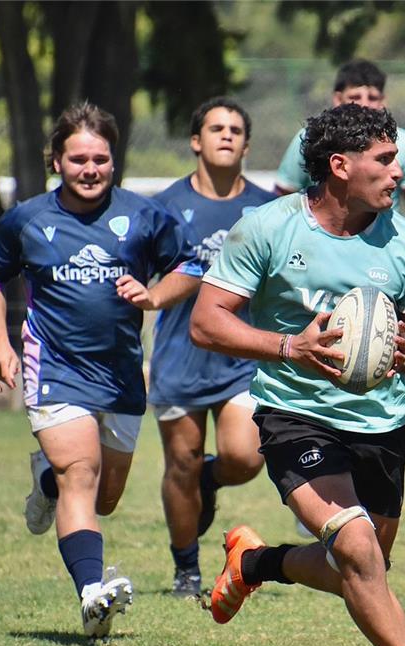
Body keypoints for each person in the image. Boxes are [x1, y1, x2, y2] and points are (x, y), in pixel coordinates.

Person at [191, 103, 405, 646]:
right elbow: (208, 321)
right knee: (357, 547)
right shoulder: (268, 229)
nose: (399, 173)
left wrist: (404, 357)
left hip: (382, 424)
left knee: (360, 569)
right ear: (340, 166)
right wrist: (292, 348)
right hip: (295, 415)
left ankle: (253, 563)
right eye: (386, 161)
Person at [0, 102, 200, 638]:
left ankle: (45, 478)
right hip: (55, 367)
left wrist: (154, 295)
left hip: (120, 374)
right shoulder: (28, 218)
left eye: (100, 159)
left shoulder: (143, 216)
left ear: (113, 162)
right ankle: (92, 593)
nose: (90, 169)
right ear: (56, 161)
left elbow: (190, 265)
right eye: (78, 159)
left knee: (105, 497)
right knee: (83, 474)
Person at [149, 97, 277, 598]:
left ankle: (212, 479)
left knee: (245, 458)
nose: (226, 135)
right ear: (195, 141)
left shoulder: (268, 208)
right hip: (180, 356)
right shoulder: (163, 206)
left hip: (242, 357)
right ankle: (187, 570)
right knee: (179, 464)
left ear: (246, 143)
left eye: (236, 129)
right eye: (215, 127)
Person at [274, 58, 405, 297]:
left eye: (373, 98)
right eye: (355, 96)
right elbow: (282, 208)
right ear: (337, 99)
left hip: (380, 256)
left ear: (383, 102)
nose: (364, 105)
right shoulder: (309, 141)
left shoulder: (404, 144)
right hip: (317, 258)